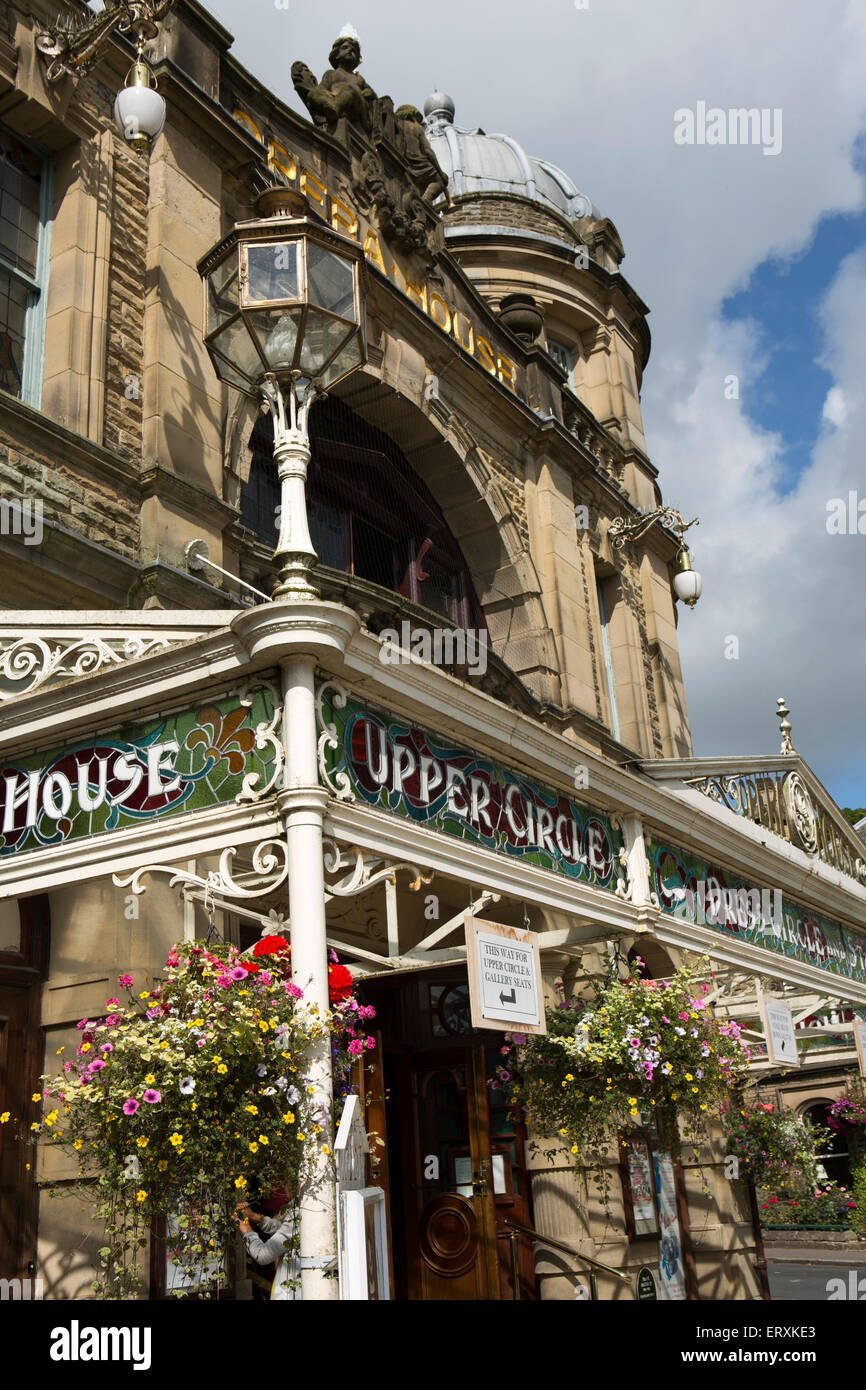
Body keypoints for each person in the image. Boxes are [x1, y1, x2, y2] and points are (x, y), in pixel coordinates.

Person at [236, 1200, 299, 1301]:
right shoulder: (303, 1205)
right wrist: (254, 1217)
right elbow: (285, 1230)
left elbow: (262, 1254)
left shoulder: (300, 1210)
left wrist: (246, 1229)